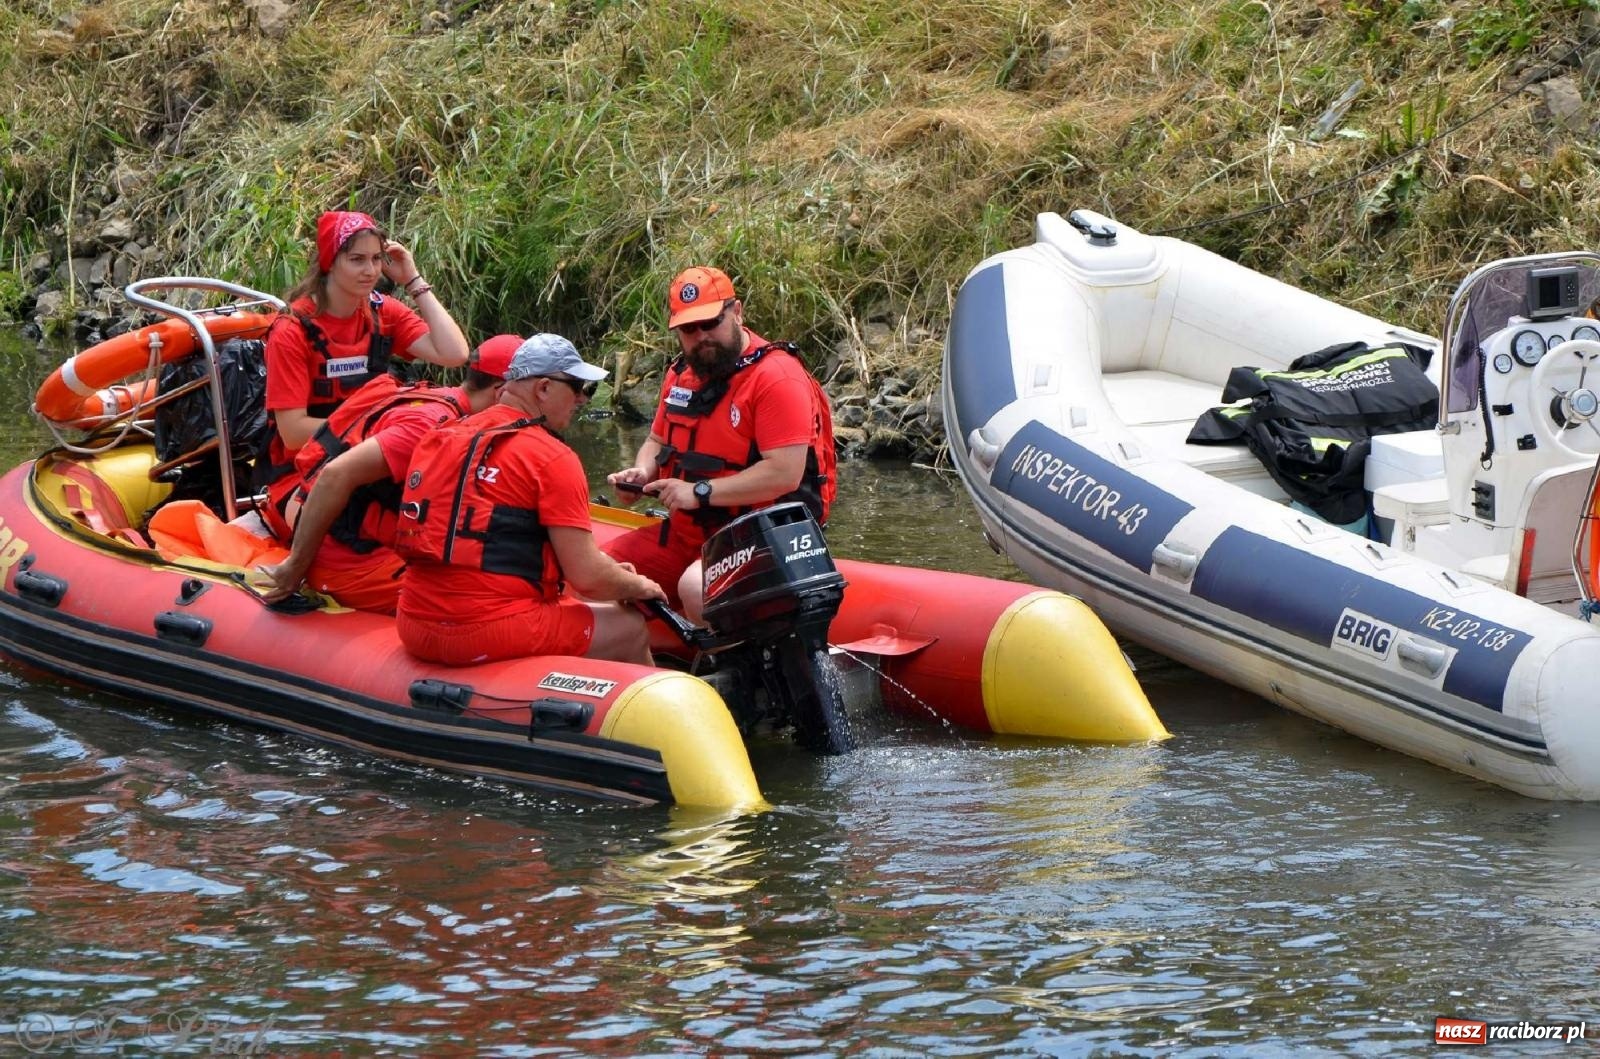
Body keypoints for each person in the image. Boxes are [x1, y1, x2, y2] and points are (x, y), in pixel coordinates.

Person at [393, 334, 667, 666]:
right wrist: (638, 586)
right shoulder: (552, 458)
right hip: (480, 631)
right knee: (630, 627)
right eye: (578, 387)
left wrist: (612, 574)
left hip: (413, 623)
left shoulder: (442, 437)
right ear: (544, 389)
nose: (582, 399)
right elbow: (588, 578)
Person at [603, 266, 836, 622]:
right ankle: (639, 662)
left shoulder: (776, 377)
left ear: (737, 312)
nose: (701, 336)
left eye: (710, 322)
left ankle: (735, 673)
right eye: (689, 329)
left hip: (762, 537)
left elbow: (785, 475)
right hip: (688, 535)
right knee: (599, 572)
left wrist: (698, 491)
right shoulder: (680, 373)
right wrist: (642, 471)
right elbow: (656, 439)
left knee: (696, 587)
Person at [255, 334, 522, 612]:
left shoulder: (449, 403)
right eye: (537, 391)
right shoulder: (427, 423)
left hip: (375, 544)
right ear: (501, 391)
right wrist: (294, 568)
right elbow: (335, 475)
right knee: (497, 601)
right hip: (353, 564)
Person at [258, 210, 470, 517]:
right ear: (330, 262)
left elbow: (454, 354)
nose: (370, 271)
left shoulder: (384, 313)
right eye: (357, 259)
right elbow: (292, 431)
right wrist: (380, 434)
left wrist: (413, 280)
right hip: (302, 469)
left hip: (370, 456)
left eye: (376, 259)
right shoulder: (292, 330)